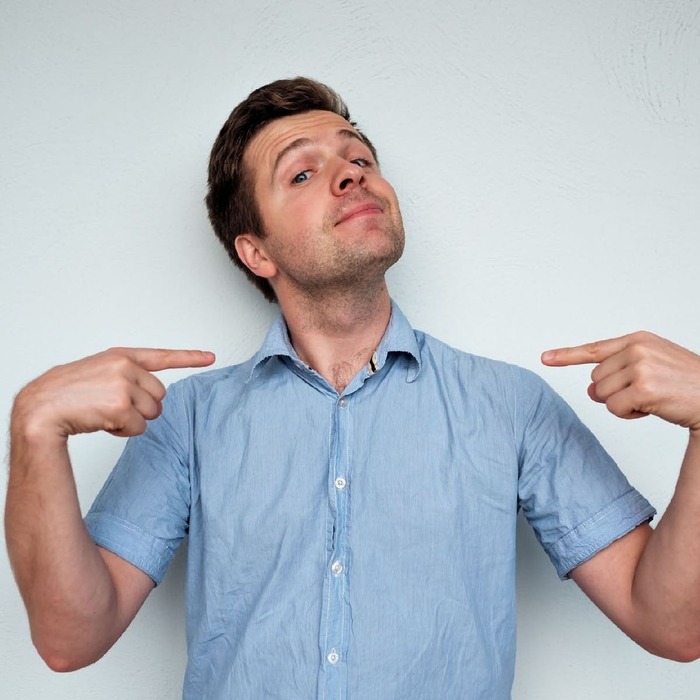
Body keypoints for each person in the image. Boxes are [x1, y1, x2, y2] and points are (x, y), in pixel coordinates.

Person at [6, 77, 700, 699]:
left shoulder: (511, 407)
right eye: (303, 173)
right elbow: (71, 641)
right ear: (257, 251)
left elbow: (671, 625)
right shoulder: (185, 420)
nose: (350, 176)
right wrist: (34, 429)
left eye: (359, 159)